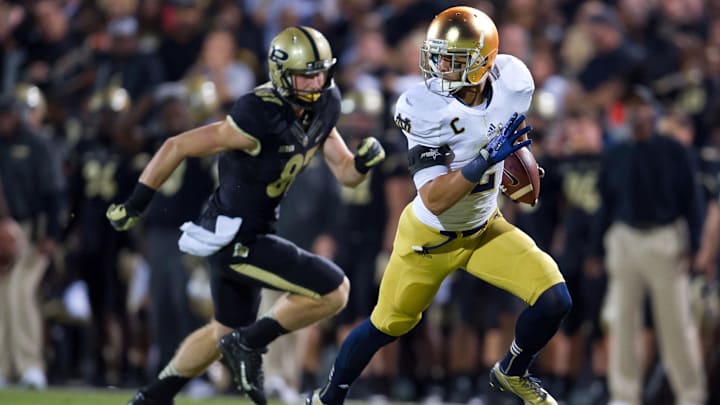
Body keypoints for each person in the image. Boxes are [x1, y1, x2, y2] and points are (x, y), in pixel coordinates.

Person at [105, 26, 386, 405]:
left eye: (320, 72)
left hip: (255, 232)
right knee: (335, 291)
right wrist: (135, 203)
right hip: (233, 236)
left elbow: (345, 173)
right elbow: (178, 145)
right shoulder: (257, 115)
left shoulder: (324, 105)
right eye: (306, 74)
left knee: (222, 328)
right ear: (281, 74)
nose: (315, 82)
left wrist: (362, 165)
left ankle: (152, 397)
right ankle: (248, 344)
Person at [307, 6, 572, 405]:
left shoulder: (514, 83)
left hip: (484, 228)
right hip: (430, 237)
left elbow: (510, 143)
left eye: (452, 60)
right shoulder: (424, 107)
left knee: (555, 300)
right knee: (386, 325)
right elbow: (434, 197)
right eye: (436, 56)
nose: (439, 68)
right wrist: (485, 159)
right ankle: (329, 396)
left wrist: (519, 168)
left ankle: (512, 371)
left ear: (484, 62)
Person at [587, 86, 707, 405]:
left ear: (653, 112)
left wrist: (695, 245)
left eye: (641, 107)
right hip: (625, 239)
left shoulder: (674, 150)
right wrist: (596, 251)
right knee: (622, 322)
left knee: (677, 325)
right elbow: (605, 206)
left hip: (666, 239)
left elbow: (692, 202)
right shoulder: (615, 154)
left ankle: (691, 395)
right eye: (630, 108)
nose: (635, 113)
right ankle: (624, 395)